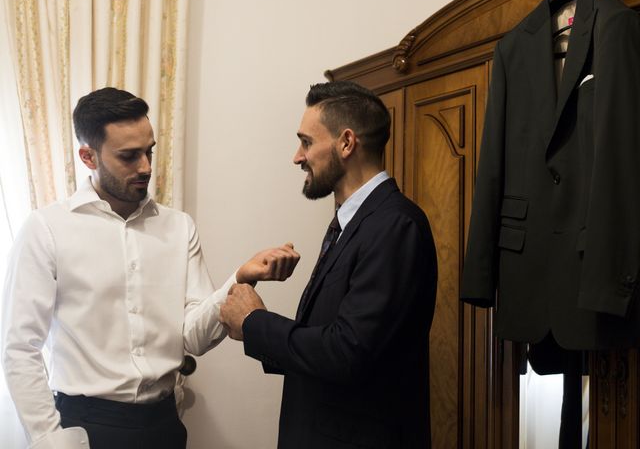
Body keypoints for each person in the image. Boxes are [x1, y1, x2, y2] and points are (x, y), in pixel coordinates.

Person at [1, 87, 299, 449]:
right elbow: (19, 347)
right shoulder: (46, 229)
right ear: (88, 157)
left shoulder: (179, 227)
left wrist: (240, 279)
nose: (145, 167)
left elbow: (195, 337)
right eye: (129, 156)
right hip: (84, 428)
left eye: (149, 152)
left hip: (164, 425)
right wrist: (49, 438)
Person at [220, 81, 438, 448]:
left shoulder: (395, 224)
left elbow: (347, 352)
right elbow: (326, 342)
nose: (297, 156)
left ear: (347, 143)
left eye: (306, 142)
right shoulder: (351, 221)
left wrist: (256, 322)